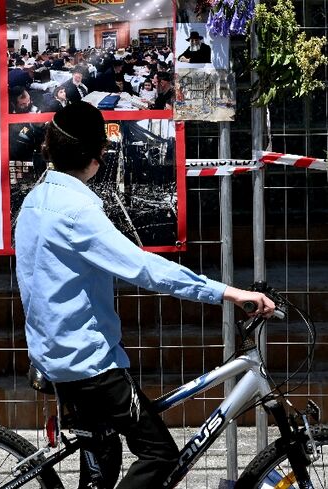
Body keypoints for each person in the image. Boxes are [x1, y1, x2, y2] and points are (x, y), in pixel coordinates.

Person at [14, 102, 276, 488]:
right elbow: (146, 269)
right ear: (93, 156)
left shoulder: (35, 200)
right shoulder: (77, 211)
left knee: (105, 456)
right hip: (89, 365)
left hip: (52, 353)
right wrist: (230, 293)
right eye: (102, 150)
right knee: (161, 455)